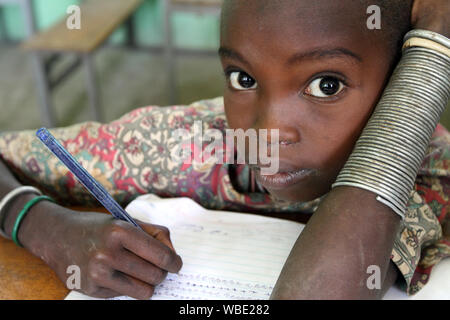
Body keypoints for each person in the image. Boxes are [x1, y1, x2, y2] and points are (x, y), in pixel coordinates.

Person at [0, 0, 448, 300]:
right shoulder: (186, 142)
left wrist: (433, 42)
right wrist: (41, 223)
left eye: (325, 85)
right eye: (243, 79)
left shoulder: (428, 173)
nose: (268, 133)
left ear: (404, 83)